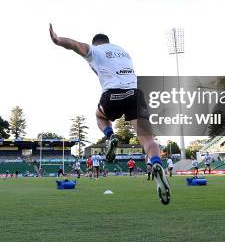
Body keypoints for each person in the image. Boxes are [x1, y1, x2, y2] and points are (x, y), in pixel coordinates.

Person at [49, 24, 171, 204]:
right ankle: (156, 163)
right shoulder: (122, 51)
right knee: (148, 140)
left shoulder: (96, 51)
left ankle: (110, 135)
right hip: (135, 95)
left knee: (99, 116)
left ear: (96, 44)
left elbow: (76, 45)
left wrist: (58, 40)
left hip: (112, 95)